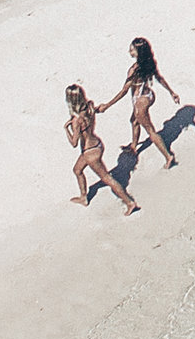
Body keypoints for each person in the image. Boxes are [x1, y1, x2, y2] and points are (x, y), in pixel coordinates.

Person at [97, 36, 182, 170]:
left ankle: (168, 156)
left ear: (138, 52)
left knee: (150, 131)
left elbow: (124, 91)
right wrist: (171, 92)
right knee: (134, 121)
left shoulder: (134, 70)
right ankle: (133, 147)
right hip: (148, 95)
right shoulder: (149, 63)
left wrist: (106, 105)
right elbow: (159, 78)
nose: (129, 52)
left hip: (140, 100)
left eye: (132, 50)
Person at [64, 83, 136, 214]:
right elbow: (97, 111)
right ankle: (84, 197)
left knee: (107, 178)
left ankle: (129, 202)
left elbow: (74, 143)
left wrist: (66, 129)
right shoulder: (89, 106)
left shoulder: (76, 121)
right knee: (77, 170)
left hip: (89, 152)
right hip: (97, 144)